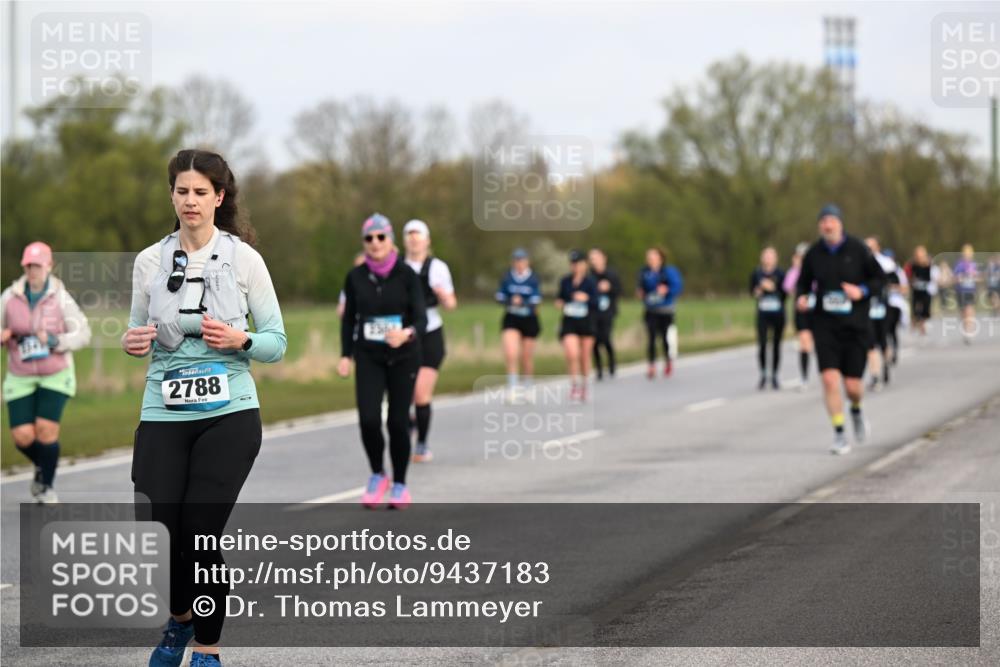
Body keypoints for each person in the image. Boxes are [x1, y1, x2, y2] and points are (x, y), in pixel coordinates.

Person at [123, 149, 287, 667]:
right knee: (160, 527)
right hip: (163, 410)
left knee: (199, 531)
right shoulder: (150, 261)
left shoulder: (245, 260)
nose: (189, 201)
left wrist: (241, 339)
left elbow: (277, 342)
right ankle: (180, 617)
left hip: (230, 413)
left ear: (219, 197)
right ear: (171, 195)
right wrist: (134, 341)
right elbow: (137, 331)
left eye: (200, 192)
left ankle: (206, 648)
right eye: (181, 191)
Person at [338, 213, 425, 510]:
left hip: (403, 357)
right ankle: (378, 474)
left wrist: (407, 334)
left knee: (398, 422)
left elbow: (421, 318)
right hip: (369, 356)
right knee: (369, 420)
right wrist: (345, 355)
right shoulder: (356, 277)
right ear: (364, 243)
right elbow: (349, 319)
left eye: (380, 237)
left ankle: (400, 483)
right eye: (369, 238)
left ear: (390, 240)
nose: (375, 243)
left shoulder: (407, 275)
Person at [1, 241, 91, 504]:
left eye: (38, 265)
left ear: (49, 266)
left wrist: (54, 340)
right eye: (29, 265)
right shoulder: (9, 297)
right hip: (20, 373)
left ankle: (47, 487)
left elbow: (83, 334)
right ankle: (45, 464)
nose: (33, 270)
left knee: (45, 430)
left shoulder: (61, 298)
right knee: (22, 436)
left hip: (56, 372)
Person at [795, 204, 883, 455]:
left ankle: (855, 410)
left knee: (853, 386)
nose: (827, 225)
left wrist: (861, 291)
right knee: (829, 379)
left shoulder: (858, 249)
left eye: (831, 220)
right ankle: (839, 433)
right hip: (825, 326)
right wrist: (802, 298)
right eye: (823, 221)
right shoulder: (813, 254)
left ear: (840, 224)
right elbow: (802, 284)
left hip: (855, 327)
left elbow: (880, 280)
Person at [402, 219, 456, 463]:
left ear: (427, 240)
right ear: (404, 240)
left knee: (421, 393)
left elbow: (452, 305)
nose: (414, 239)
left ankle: (421, 443)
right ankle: (411, 421)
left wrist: (443, 295)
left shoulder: (438, 268)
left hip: (431, 333)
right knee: (405, 393)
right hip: (405, 335)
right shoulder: (397, 268)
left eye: (418, 234)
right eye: (409, 234)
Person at [496, 248, 542, 389]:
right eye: (516, 261)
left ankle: (528, 385)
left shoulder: (533, 278)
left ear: (527, 262)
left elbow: (536, 300)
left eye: (522, 261)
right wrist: (511, 300)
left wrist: (522, 301)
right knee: (511, 353)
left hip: (529, 319)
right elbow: (499, 297)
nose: (519, 264)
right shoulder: (507, 277)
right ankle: (513, 386)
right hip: (511, 318)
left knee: (526, 357)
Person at [556, 250, 598, 401]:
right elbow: (560, 298)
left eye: (579, 263)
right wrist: (560, 303)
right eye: (573, 264)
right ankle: (575, 384)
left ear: (584, 265)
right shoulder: (565, 281)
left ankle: (586, 385)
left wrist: (585, 298)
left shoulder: (591, 282)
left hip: (587, 322)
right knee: (572, 353)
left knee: (585, 356)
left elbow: (597, 303)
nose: (576, 267)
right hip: (569, 321)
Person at [637, 247, 684, 379]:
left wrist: (667, 290)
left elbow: (677, 286)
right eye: (648, 258)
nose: (650, 260)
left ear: (660, 258)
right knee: (651, 337)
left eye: (653, 257)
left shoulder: (669, 271)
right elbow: (641, 287)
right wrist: (641, 293)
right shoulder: (644, 272)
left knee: (664, 337)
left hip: (665, 310)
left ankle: (668, 361)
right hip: (651, 309)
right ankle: (651, 365)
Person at [749, 246, 786, 390]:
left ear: (775, 258)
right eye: (766, 256)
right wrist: (759, 290)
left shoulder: (781, 274)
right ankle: (763, 374)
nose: (768, 259)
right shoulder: (756, 274)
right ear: (762, 258)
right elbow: (752, 292)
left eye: (771, 256)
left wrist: (773, 288)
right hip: (763, 313)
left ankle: (775, 375)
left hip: (778, 313)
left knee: (776, 345)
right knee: (763, 344)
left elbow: (785, 294)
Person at [864, 237, 896, 391]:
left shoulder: (886, 263)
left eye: (871, 247)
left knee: (883, 342)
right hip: (867, 310)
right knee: (870, 344)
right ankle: (875, 377)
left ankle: (886, 367)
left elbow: (891, 282)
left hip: (882, 308)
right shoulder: (859, 265)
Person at [783, 242, 815, 390]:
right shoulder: (794, 272)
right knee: (804, 343)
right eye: (800, 257)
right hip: (801, 312)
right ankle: (804, 377)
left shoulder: (817, 269)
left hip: (818, 311)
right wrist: (797, 269)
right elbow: (788, 288)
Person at [587, 248, 622, 380]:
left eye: (596, 258)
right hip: (593, 312)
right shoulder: (589, 276)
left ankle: (612, 364)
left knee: (606, 338)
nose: (594, 261)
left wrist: (610, 288)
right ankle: (599, 369)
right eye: (592, 259)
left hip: (608, 311)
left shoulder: (612, 274)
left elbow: (619, 290)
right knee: (594, 340)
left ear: (603, 258)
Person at [882, 248, 909, 365]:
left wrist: (893, 288)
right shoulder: (876, 270)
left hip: (895, 305)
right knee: (883, 331)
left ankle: (894, 351)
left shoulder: (898, 271)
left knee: (892, 330)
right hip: (881, 305)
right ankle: (885, 352)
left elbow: (905, 289)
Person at [905, 245, 938, 336]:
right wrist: (911, 281)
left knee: (926, 310)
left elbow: (933, 276)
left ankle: (922, 323)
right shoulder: (912, 265)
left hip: (926, 290)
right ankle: (917, 323)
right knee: (915, 309)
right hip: (916, 290)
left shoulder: (929, 264)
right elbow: (907, 275)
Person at [953, 244, 979, 344]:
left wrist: (975, 277)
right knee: (963, 312)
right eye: (966, 253)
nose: (968, 255)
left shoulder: (974, 264)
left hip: (970, 290)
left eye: (969, 253)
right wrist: (962, 277)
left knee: (970, 309)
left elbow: (977, 277)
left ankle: (969, 330)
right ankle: (966, 329)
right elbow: (955, 277)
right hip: (961, 290)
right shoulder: (959, 264)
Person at [987, 253, 1000, 318]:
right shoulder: (992, 266)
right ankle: (995, 309)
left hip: (997, 285)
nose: (998, 261)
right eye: (997, 259)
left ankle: (995, 310)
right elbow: (988, 274)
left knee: (996, 297)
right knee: (992, 298)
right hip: (991, 285)